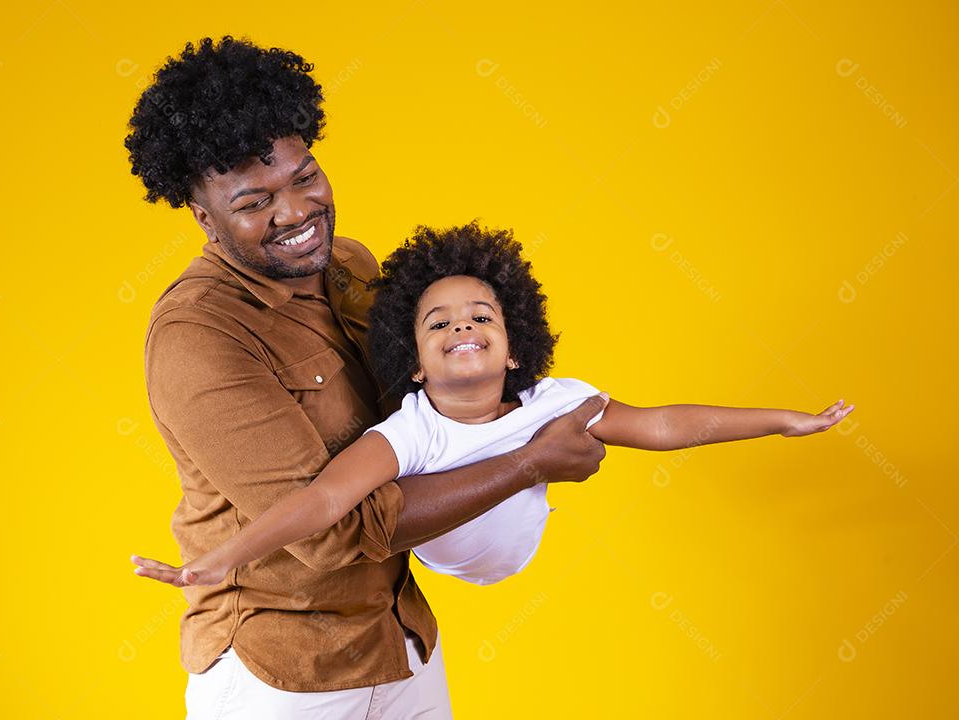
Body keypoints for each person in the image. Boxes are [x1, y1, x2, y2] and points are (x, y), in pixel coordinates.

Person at [125, 36, 607, 719]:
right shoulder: (199, 338)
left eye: (304, 176)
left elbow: (425, 409)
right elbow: (330, 530)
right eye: (253, 202)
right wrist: (529, 461)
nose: (295, 212)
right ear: (205, 219)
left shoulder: (347, 265)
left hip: (397, 639)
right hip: (279, 675)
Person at [133, 222, 855, 591]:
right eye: (439, 324)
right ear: (413, 363)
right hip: (441, 559)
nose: (462, 329)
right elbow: (322, 504)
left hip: (520, 547)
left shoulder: (555, 404)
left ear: (514, 349)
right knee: (364, 489)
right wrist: (227, 557)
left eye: (481, 316)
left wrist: (781, 420)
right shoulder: (406, 433)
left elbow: (664, 424)